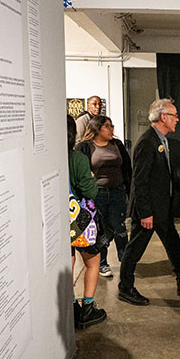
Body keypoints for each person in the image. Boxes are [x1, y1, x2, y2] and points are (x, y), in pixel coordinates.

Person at [118, 98, 180, 305]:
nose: (177, 119)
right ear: (163, 117)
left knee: (174, 246)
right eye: (174, 115)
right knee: (135, 249)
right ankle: (125, 287)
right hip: (149, 210)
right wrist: (146, 212)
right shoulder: (146, 143)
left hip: (163, 207)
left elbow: (166, 173)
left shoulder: (162, 140)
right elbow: (139, 182)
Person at [77, 116, 132, 277]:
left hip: (117, 192)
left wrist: (129, 190)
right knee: (101, 229)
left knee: (120, 228)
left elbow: (127, 168)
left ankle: (126, 261)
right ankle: (103, 264)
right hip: (97, 194)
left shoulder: (117, 145)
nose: (111, 129)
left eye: (112, 125)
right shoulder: (85, 147)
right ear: (97, 128)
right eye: (107, 126)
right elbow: (82, 172)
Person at [67, 115, 107, 329]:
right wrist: (91, 177)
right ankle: (88, 308)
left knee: (68, 261)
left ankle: (71, 305)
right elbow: (90, 191)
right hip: (78, 219)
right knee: (93, 261)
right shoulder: (77, 159)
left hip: (56, 220)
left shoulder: (47, 158)